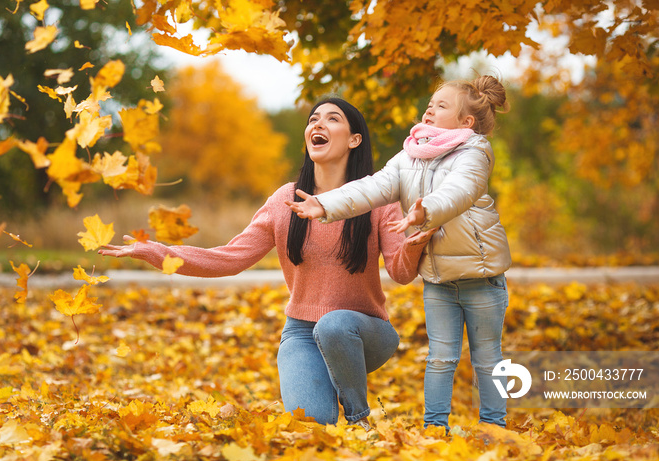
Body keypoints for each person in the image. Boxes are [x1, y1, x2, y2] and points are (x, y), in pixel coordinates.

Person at [99, 97, 433, 430]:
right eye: (313, 119)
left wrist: (415, 245)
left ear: (354, 139)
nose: (318, 124)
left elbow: (401, 274)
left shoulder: (376, 201)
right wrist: (155, 251)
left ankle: (360, 418)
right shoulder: (284, 201)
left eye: (332, 120)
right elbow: (229, 259)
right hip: (302, 334)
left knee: (333, 325)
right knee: (311, 425)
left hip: (364, 333)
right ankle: (330, 393)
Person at [286, 76, 512, 431]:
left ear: (466, 122)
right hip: (438, 280)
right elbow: (373, 187)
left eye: (441, 106)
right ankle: (435, 428)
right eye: (430, 103)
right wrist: (325, 204)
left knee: (487, 359)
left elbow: (460, 191)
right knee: (440, 358)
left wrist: (426, 210)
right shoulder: (411, 155)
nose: (430, 109)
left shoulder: (475, 153)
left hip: (482, 278)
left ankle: (494, 428)